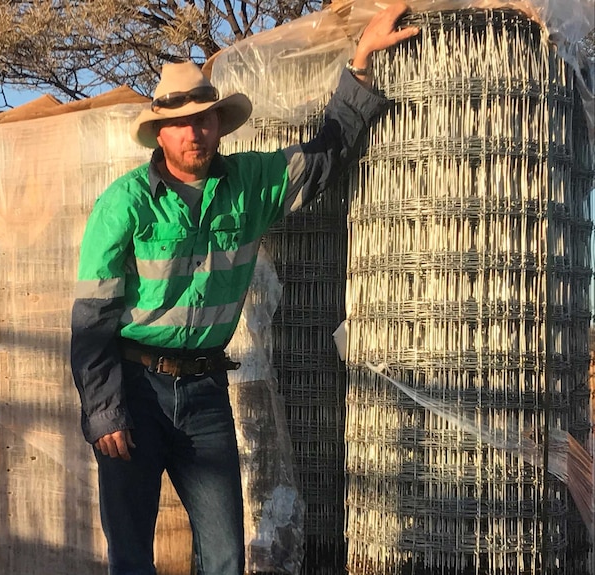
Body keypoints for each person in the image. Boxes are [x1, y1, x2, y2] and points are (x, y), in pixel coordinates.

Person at [71, 4, 419, 574]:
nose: (196, 132)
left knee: (226, 554)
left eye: (206, 119)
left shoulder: (249, 184)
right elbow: (92, 318)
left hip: (205, 393)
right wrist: (105, 411)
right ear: (160, 131)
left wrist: (360, 64)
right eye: (183, 123)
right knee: (132, 555)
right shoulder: (125, 203)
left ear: (218, 125)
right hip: (135, 391)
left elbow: (322, 156)